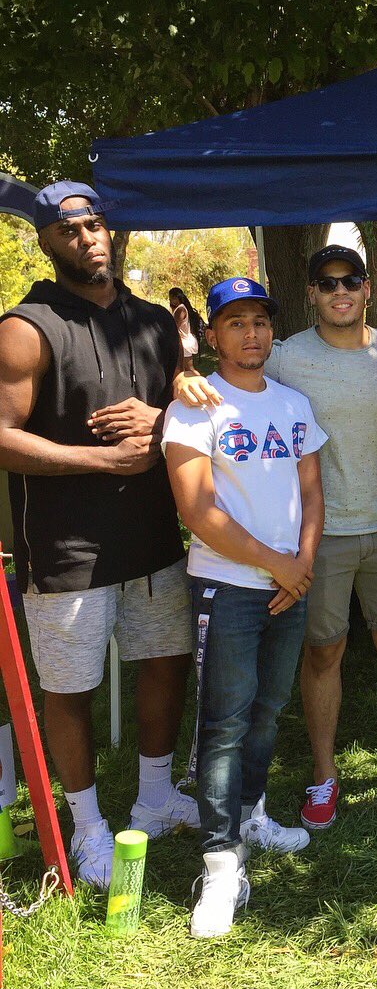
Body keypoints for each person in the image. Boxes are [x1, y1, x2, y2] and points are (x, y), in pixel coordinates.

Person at [0, 181, 198, 887]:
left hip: (151, 538)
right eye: (70, 229)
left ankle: (155, 796)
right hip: (66, 549)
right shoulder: (26, 327)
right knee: (71, 689)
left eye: (95, 224)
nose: (89, 238)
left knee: (168, 661)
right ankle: (87, 828)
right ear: (47, 241)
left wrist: (161, 421)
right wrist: (103, 459)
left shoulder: (149, 321)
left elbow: (195, 411)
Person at [162, 277, 327, 938]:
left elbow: (312, 492)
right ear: (212, 336)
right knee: (223, 724)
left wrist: (303, 564)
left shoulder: (292, 404)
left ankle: (252, 814)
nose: (250, 333)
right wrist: (276, 564)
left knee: (267, 711)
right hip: (227, 587)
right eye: (235, 323)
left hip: (289, 587)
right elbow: (197, 511)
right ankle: (220, 859)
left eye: (260, 321)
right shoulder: (195, 406)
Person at [262, 244, 377, 831]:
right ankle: (323, 775)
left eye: (351, 280)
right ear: (310, 293)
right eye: (327, 281)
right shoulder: (285, 359)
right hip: (320, 535)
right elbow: (233, 388)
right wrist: (189, 383)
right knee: (324, 654)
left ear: (367, 289)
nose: (341, 290)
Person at [169, 287, 205, 368]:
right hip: (184, 341)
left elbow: (174, 326)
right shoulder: (180, 308)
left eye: (171, 298)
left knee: (188, 369)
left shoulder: (180, 310)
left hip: (184, 343)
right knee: (185, 369)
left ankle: (199, 380)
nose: (170, 301)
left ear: (175, 298)